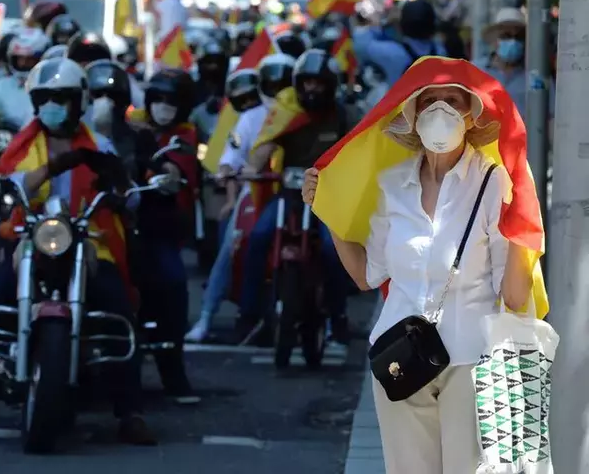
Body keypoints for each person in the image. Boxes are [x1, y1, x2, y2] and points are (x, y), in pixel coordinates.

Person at [301, 57, 549, 474]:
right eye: (430, 100)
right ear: (412, 114)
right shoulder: (391, 183)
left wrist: (522, 224)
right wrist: (326, 211)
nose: (441, 110)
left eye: (453, 100)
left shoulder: (494, 183)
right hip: (400, 358)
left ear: (470, 116)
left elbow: (514, 295)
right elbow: (366, 274)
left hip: (474, 361)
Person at [0, 57, 157, 445]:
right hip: (31, 241)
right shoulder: (23, 145)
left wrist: (121, 191)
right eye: (45, 98)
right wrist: (56, 166)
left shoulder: (101, 143)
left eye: (61, 97)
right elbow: (5, 186)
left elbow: (129, 198)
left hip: (90, 244)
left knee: (121, 314)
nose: (52, 105)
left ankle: (131, 412)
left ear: (79, 101)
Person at [238, 49, 355, 349]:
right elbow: (266, 146)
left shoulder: (343, 115)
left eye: (318, 83)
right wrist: (251, 169)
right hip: (290, 195)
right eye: (306, 83)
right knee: (259, 236)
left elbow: (360, 151)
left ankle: (338, 319)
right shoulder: (286, 110)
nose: (311, 89)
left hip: (329, 200)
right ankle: (249, 314)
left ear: (330, 85)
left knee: (333, 251)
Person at [126, 69, 199, 403]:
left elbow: (180, 171)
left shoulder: (184, 136)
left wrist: (163, 170)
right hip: (108, 222)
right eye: (158, 100)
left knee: (172, 282)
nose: (163, 108)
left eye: (172, 102)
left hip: (157, 227)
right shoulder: (123, 127)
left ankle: (173, 370)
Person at [185, 67, 267, 343]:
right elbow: (231, 159)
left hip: (295, 193)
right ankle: (208, 314)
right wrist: (231, 196)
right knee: (229, 248)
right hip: (256, 191)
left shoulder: (296, 114)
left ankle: (330, 322)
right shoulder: (249, 119)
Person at [353, 0, 446, 86]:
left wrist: (383, 23)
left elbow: (360, 45)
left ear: (401, 26)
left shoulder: (393, 53)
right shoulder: (441, 52)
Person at [0, 27, 50, 131]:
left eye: (29, 59)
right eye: (19, 58)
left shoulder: (50, 88)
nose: (23, 64)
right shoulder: (3, 86)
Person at [479, 7, 529, 114]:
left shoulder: (534, 76)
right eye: (506, 36)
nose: (513, 41)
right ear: (494, 40)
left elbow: (551, 116)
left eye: (518, 37)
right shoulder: (475, 70)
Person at [190, 38, 230, 143]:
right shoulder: (191, 88)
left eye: (218, 62)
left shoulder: (230, 88)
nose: (214, 66)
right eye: (209, 62)